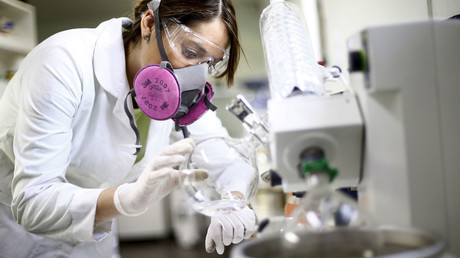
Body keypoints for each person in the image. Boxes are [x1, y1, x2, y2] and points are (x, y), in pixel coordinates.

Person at [0, 0, 256, 257]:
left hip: (93, 231)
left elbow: (223, 153)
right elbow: (33, 201)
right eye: (190, 52)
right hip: (18, 232)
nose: (195, 76)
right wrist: (124, 199)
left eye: (207, 63)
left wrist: (232, 200)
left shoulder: (180, 92)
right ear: (148, 24)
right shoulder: (62, 62)